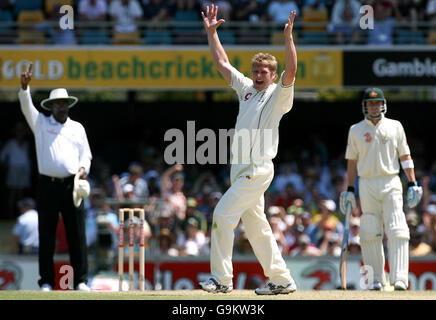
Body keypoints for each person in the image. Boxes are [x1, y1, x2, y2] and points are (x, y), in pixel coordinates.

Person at [198, 5, 298, 295]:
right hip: (240, 168)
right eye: (255, 70)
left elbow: (291, 70)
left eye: (264, 71)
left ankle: (221, 279)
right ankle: (281, 279)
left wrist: (288, 38)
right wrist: (211, 34)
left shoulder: (279, 95)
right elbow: (222, 63)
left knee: (222, 215)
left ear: (273, 74)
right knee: (257, 228)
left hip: (257, 168)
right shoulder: (247, 89)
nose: (258, 74)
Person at [340, 87, 423, 291]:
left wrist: (412, 182)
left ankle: (400, 279)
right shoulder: (356, 130)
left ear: (383, 104)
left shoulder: (395, 126)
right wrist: (350, 189)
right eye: (370, 103)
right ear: (365, 106)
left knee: (397, 228)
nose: (374, 106)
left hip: (391, 181)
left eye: (377, 103)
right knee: (369, 231)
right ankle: (375, 279)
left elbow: (405, 156)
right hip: (367, 183)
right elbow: (352, 162)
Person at [19, 63, 92, 291]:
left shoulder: (77, 128)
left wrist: (82, 169)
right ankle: (46, 282)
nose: (61, 107)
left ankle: (80, 281)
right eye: (57, 104)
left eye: (64, 104)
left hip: (71, 185)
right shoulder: (40, 123)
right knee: (47, 235)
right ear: (51, 107)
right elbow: (26, 106)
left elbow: (86, 155)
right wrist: (24, 88)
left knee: (76, 235)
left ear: (69, 105)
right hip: (47, 185)